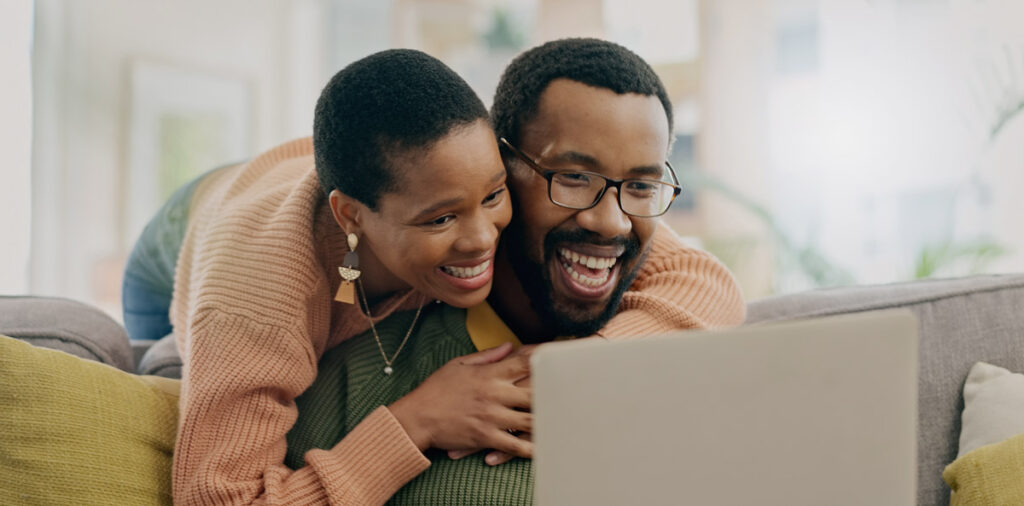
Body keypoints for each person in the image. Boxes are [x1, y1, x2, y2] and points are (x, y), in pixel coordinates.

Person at [283, 38, 746, 504]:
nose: (611, 222)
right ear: (500, 168)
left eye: (642, 186)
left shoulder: (690, 359)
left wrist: (586, 372)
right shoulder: (353, 380)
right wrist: (412, 425)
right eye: (573, 177)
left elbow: (709, 282)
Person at [126, 50, 537, 505]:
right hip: (183, 237)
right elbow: (220, 499)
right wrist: (418, 421)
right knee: (170, 372)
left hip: (293, 174)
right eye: (440, 220)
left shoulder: (479, 188)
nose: (482, 239)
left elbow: (630, 274)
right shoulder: (257, 304)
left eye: (494, 195)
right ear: (351, 216)